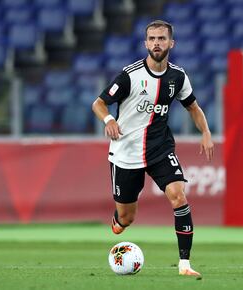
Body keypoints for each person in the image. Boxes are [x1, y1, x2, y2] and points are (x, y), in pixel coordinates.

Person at [92, 20, 214, 277]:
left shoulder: (178, 77)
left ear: (171, 43)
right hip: (125, 152)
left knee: (178, 195)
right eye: (152, 39)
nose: (156, 43)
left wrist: (205, 132)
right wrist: (109, 119)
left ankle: (184, 265)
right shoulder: (129, 75)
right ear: (145, 43)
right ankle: (119, 220)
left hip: (160, 148)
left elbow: (192, 106)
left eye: (161, 38)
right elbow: (99, 103)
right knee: (127, 218)